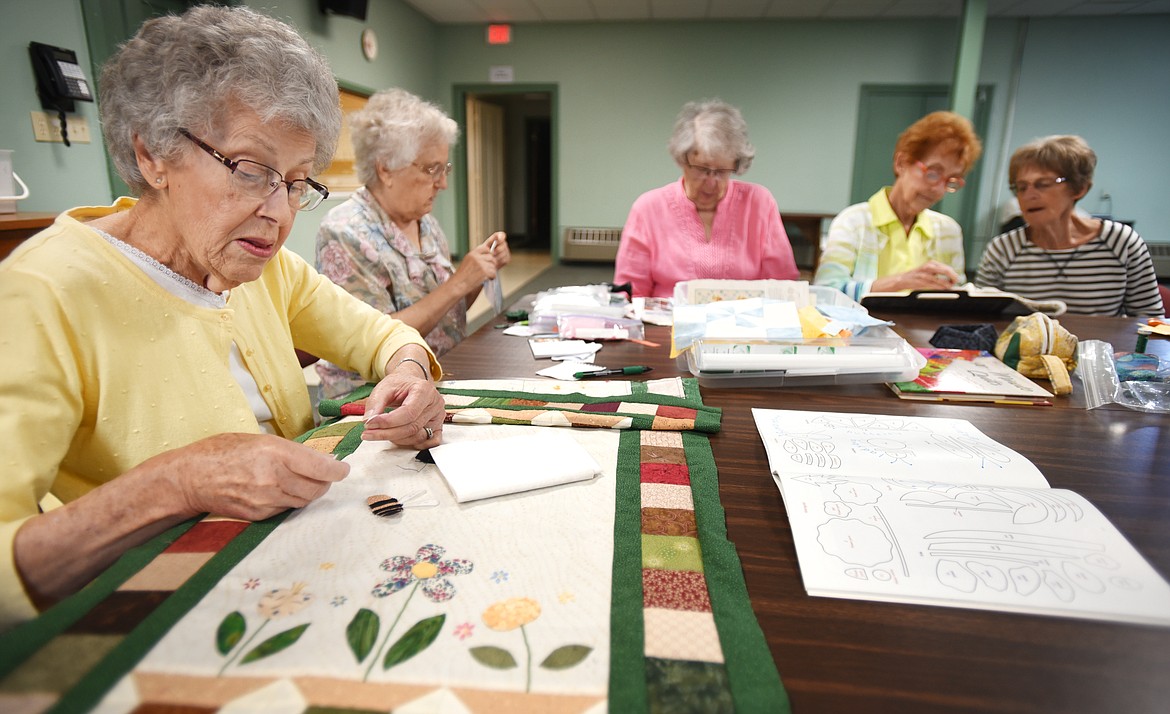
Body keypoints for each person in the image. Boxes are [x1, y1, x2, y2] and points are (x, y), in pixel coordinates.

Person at [0, 6, 448, 631]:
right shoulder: (41, 293)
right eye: (250, 169)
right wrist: (178, 483)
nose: (279, 213)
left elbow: (384, 334)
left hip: (293, 572)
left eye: (295, 182)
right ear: (152, 154)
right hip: (157, 614)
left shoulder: (266, 267)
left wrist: (408, 372)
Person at [315, 88, 510, 399]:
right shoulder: (346, 232)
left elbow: (445, 314)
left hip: (436, 378)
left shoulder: (424, 222)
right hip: (375, 398)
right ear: (386, 168)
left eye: (444, 168)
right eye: (431, 169)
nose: (443, 183)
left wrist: (477, 276)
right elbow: (375, 335)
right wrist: (458, 282)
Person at [612, 99, 798, 298]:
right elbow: (630, 293)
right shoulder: (648, 209)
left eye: (721, 171)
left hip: (744, 327)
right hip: (668, 326)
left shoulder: (759, 203)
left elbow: (784, 287)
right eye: (702, 169)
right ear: (682, 160)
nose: (711, 182)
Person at [975, 135, 1163, 317]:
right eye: (1022, 187)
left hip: (1101, 349)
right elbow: (978, 318)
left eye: (1043, 184)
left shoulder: (1121, 242)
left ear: (1079, 188)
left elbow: (1149, 319)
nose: (1028, 195)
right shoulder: (1002, 249)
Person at [814, 111, 983, 301]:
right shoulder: (853, 222)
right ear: (901, 163)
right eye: (933, 173)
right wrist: (901, 282)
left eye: (950, 181)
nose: (938, 189)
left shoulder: (948, 231)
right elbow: (825, 292)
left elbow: (957, 298)